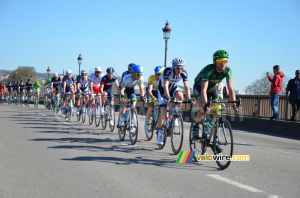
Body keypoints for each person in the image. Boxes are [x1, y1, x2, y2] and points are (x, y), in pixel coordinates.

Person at [192, 50, 240, 153]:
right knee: (204, 108)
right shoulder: (208, 69)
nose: (223, 63)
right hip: (199, 87)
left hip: (212, 88)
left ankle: (215, 141)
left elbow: (231, 89)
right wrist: (205, 104)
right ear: (214, 61)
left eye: (225, 61)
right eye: (220, 61)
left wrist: (235, 105)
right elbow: (203, 89)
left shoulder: (227, 70)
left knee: (216, 113)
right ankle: (196, 125)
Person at [156, 58, 194, 145]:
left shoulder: (183, 73)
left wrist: (188, 98)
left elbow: (186, 86)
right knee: (163, 111)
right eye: (177, 68)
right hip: (163, 89)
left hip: (173, 87)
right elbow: (165, 84)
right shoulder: (168, 71)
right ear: (173, 67)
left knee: (181, 96)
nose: (180, 70)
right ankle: (159, 135)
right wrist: (167, 96)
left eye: (181, 68)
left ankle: (175, 114)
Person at [118, 65, 147, 131]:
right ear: (133, 74)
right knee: (124, 102)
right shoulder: (127, 77)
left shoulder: (141, 78)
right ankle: (121, 119)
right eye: (138, 74)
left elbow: (141, 89)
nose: (139, 76)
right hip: (124, 89)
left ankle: (132, 124)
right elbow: (122, 89)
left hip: (131, 90)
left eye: (141, 74)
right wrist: (122, 96)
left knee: (134, 105)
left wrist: (142, 97)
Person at [144, 66, 164, 134]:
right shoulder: (152, 78)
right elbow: (149, 90)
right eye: (155, 73)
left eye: (158, 74)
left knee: (161, 108)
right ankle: (146, 123)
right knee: (150, 107)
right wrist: (152, 97)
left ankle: (159, 124)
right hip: (151, 92)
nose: (156, 75)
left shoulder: (164, 79)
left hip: (158, 92)